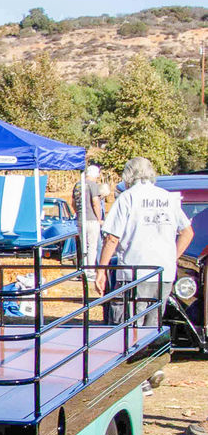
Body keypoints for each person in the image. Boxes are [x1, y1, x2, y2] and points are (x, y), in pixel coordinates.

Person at [95, 157, 194, 393]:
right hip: (163, 272)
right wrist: (172, 257)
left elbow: (112, 238)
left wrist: (101, 270)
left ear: (128, 176)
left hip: (135, 271)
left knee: (132, 325)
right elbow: (187, 232)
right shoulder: (167, 197)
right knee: (153, 323)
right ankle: (151, 369)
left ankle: (138, 379)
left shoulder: (127, 198)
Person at [72, 163, 105, 275]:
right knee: (92, 246)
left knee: (83, 246)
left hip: (81, 219)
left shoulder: (77, 185)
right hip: (92, 219)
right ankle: (90, 270)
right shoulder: (93, 185)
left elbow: (73, 204)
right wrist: (99, 219)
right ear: (95, 174)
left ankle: (82, 268)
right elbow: (96, 203)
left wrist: (79, 213)